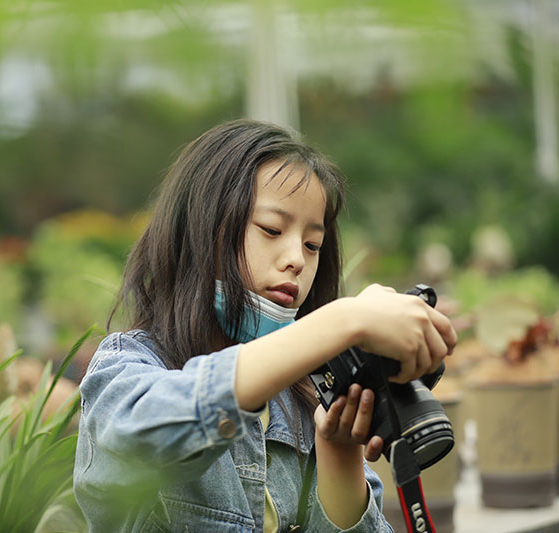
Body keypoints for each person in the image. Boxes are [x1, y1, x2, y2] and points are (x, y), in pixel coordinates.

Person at [73, 119, 457, 532]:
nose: (297, 259)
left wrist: (339, 454)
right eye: (271, 229)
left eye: (313, 245)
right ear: (201, 230)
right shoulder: (126, 368)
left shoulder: (308, 401)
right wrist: (345, 319)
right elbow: (144, 434)